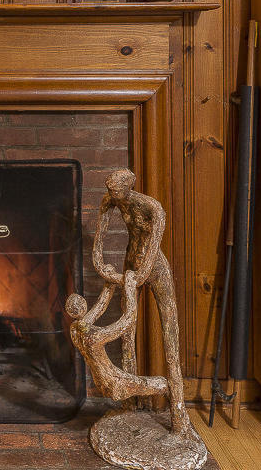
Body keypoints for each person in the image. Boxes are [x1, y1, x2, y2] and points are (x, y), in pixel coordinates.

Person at [87, 168, 190, 436]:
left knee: (170, 335)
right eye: (110, 190)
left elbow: (153, 246)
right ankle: (129, 407)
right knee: (127, 336)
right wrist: (103, 267)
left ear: (128, 187)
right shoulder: (109, 202)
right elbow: (98, 246)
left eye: (117, 191)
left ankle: (179, 414)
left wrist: (135, 278)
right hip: (131, 264)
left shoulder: (152, 208)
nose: (113, 195)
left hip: (154, 268)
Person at [65, 266, 169, 403]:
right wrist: (130, 287)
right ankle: (174, 400)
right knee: (162, 384)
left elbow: (99, 307)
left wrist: (109, 283)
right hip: (114, 381)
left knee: (155, 384)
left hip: (100, 380)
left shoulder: (74, 329)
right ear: (84, 305)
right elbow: (127, 321)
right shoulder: (93, 337)